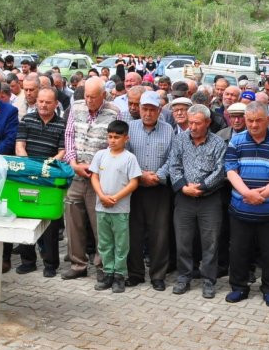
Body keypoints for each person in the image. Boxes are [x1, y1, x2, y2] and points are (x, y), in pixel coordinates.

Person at [223, 102, 269, 307]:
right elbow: (231, 170)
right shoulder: (236, 141)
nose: (253, 125)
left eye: (258, 120)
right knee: (239, 251)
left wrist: (263, 194)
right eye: (250, 120)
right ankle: (239, 287)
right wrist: (247, 193)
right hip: (241, 209)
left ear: (268, 120)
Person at [61, 77, 121, 281]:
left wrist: (95, 167)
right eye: (87, 96)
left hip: (100, 177)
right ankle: (78, 264)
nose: (89, 100)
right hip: (77, 173)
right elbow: (69, 136)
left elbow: (115, 145)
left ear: (103, 95)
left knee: (100, 224)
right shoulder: (76, 107)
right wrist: (73, 163)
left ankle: (103, 265)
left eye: (93, 97)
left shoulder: (114, 112)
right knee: (73, 221)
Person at [166, 104, 228, 299]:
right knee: (183, 240)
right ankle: (184, 277)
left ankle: (209, 280)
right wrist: (184, 187)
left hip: (210, 199)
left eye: (197, 123)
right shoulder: (180, 140)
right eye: (190, 122)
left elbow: (220, 170)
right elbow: (174, 165)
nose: (192, 127)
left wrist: (201, 187)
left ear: (207, 122)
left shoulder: (218, 143)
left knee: (210, 242)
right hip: (184, 197)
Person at [15, 87, 67, 277]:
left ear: (56, 104)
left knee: (50, 225)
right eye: (41, 101)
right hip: (27, 176)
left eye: (48, 102)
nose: (43, 105)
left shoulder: (62, 124)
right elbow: (20, 146)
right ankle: (28, 261)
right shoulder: (27, 120)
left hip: (49, 178)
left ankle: (50, 264)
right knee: (25, 219)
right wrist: (31, 167)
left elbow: (62, 151)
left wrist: (46, 167)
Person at [125, 90, 174, 290]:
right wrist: (140, 176)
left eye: (152, 110)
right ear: (139, 109)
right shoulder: (130, 127)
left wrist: (158, 176)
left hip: (158, 188)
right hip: (134, 187)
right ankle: (135, 273)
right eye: (144, 109)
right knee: (134, 232)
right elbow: (125, 156)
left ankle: (158, 275)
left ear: (159, 110)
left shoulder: (168, 130)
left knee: (159, 233)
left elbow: (172, 158)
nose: (147, 113)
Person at [90, 120, 142, 294]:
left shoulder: (129, 158)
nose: (112, 140)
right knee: (104, 242)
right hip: (101, 207)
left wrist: (115, 198)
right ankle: (108, 273)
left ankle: (120, 275)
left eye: (117, 137)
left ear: (126, 138)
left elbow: (134, 182)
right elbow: (94, 177)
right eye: (110, 137)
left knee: (121, 243)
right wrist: (101, 196)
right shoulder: (100, 155)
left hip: (120, 209)